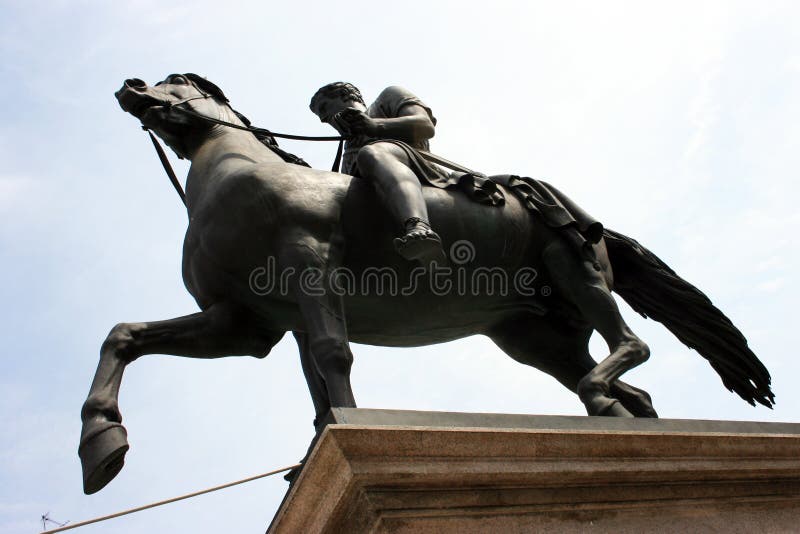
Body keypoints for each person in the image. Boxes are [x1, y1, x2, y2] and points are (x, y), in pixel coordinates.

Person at [310, 83, 457, 264]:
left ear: (346, 96)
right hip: (381, 197)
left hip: (415, 163)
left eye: (324, 107)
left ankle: (419, 226)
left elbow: (425, 126)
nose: (324, 118)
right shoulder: (347, 155)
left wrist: (375, 125)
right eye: (320, 117)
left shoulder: (388, 97)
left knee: (373, 153)